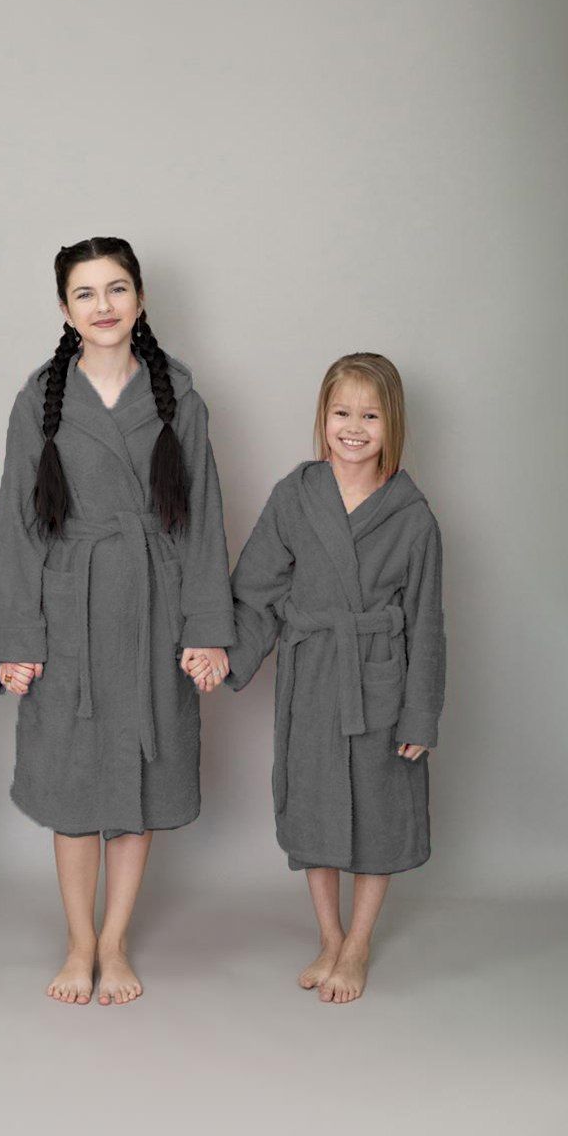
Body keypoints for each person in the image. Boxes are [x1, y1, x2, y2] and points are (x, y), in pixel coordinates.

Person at [0, 237, 233, 1005]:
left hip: (154, 605)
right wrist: (17, 637)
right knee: (73, 782)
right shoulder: (39, 399)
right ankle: (78, 942)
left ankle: (116, 941)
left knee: (137, 778)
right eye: (86, 293)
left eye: (117, 288)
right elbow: (16, 524)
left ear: (141, 298)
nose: (104, 305)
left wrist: (206, 629)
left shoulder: (178, 397)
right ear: (65, 309)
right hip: (71, 608)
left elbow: (202, 519)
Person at [192, 354, 445, 1003]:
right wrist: (222, 654)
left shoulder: (412, 516)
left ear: (393, 424)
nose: (354, 428)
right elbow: (256, 590)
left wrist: (420, 714)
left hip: (379, 681)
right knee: (315, 807)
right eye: (341, 413)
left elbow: (426, 623)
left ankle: (358, 945)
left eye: (370, 416)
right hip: (311, 681)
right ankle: (329, 937)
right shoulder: (296, 495)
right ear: (323, 418)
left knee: (377, 812)